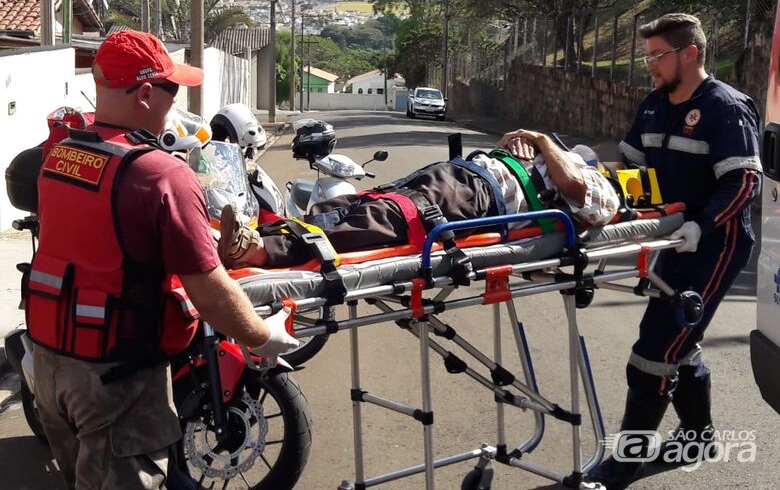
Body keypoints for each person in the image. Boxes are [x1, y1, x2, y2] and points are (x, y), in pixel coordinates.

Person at [28, 30, 299, 490]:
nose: (175, 107)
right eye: (173, 93)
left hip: (52, 364)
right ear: (148, 94)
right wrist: (261, 334)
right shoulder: (161, 174)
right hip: (117, 380)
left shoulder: (62, 155)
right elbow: (209, 291)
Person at [587, 14, 762, 488]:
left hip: (715, 244)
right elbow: (631, 170)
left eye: (656, 56)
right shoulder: (653, 105)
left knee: (654, 350)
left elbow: (745, 180)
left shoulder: (725, 107)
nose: (649, 66)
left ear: (691, 53)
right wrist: (595, 185)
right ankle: (699, 434)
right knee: (679, 343)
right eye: (647, 57)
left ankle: (624, 462)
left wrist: (701, 226)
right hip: (669, 239)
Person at [218, 127, 621, 269]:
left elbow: (576, 191)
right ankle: (263, 233)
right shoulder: (543, 158)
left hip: (476, 198)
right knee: (359, 204)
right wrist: (514, 142)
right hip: (457, 176)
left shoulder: (593, 180)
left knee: (384, 219)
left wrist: (542, 140)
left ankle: (258, 252)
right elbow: (505, 153)